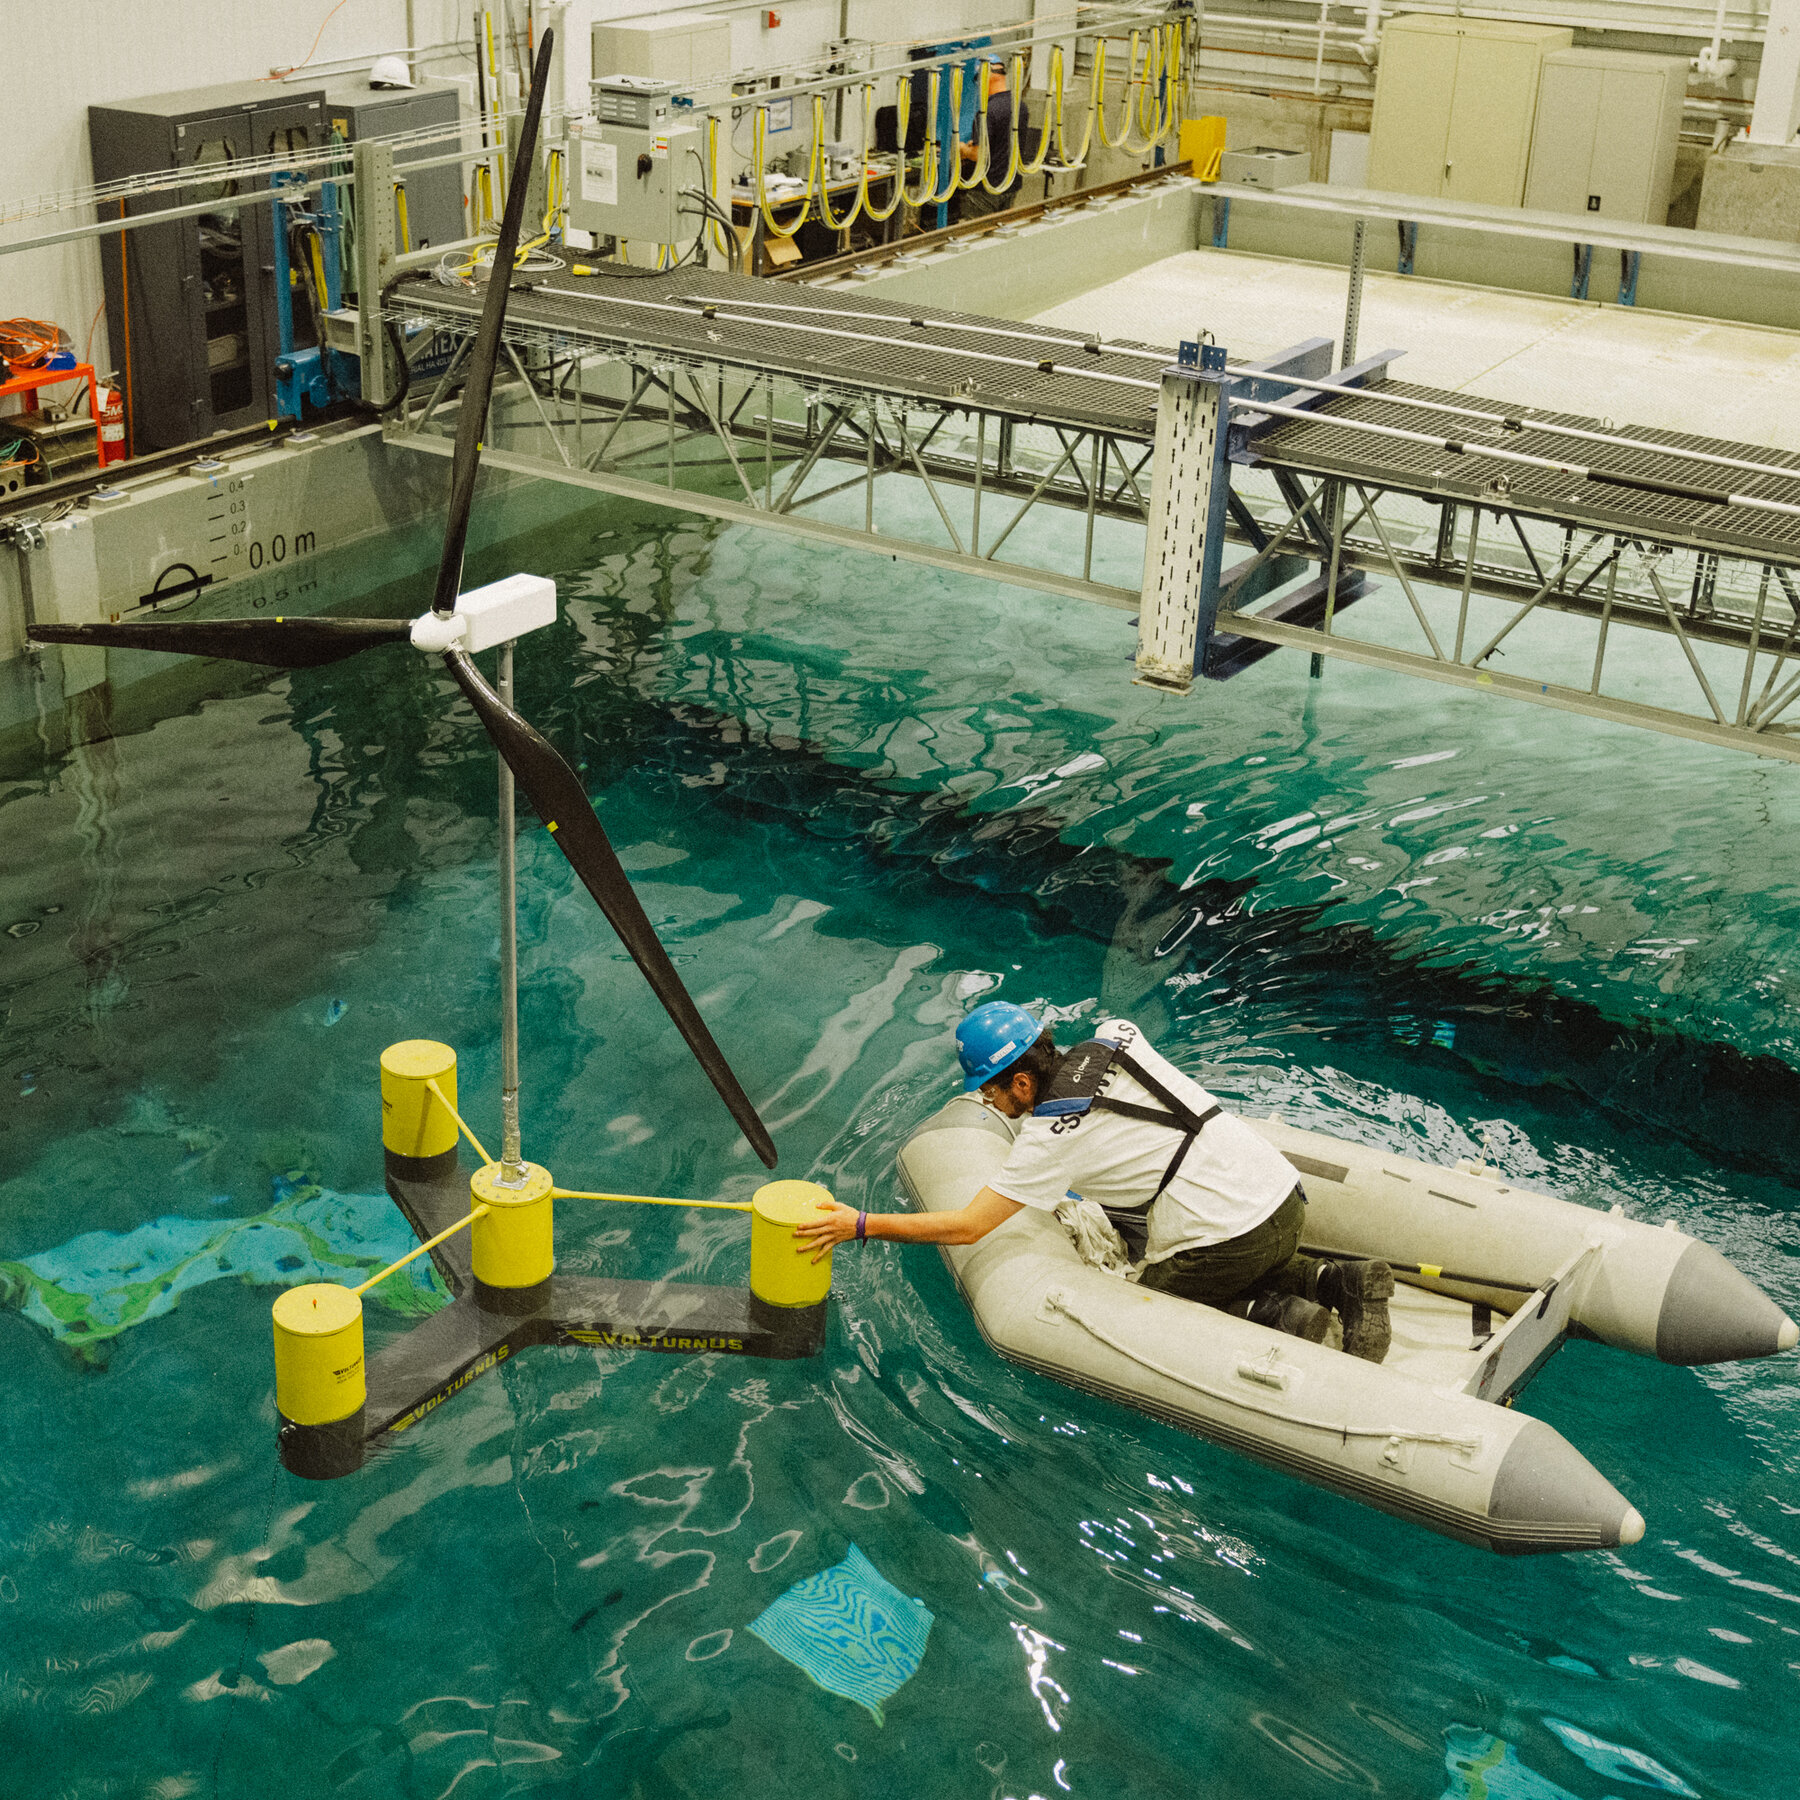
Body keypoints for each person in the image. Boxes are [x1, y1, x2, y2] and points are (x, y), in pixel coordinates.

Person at [795, 1003, 1393, 1360]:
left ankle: (1281, 1316)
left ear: (1022, 1085)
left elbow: (968, 1225)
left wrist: (861, 1224)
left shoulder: (1047, 1138)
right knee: (1217, 1245)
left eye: (991, 1089)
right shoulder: (1116, 1034)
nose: (990, 1101)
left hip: (1231, 1235)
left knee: (1148, 1304)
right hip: (1281, 1197)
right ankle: (1338, 1279)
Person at [957, 61, 1029, 219]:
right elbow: (1004, 141)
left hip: (986, 189)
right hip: (1010, 185)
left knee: (975, 236)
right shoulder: (1020, 106)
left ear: (986, 78)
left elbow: (978, 155)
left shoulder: (986, 112)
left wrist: (962, 148)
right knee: (999, 233)